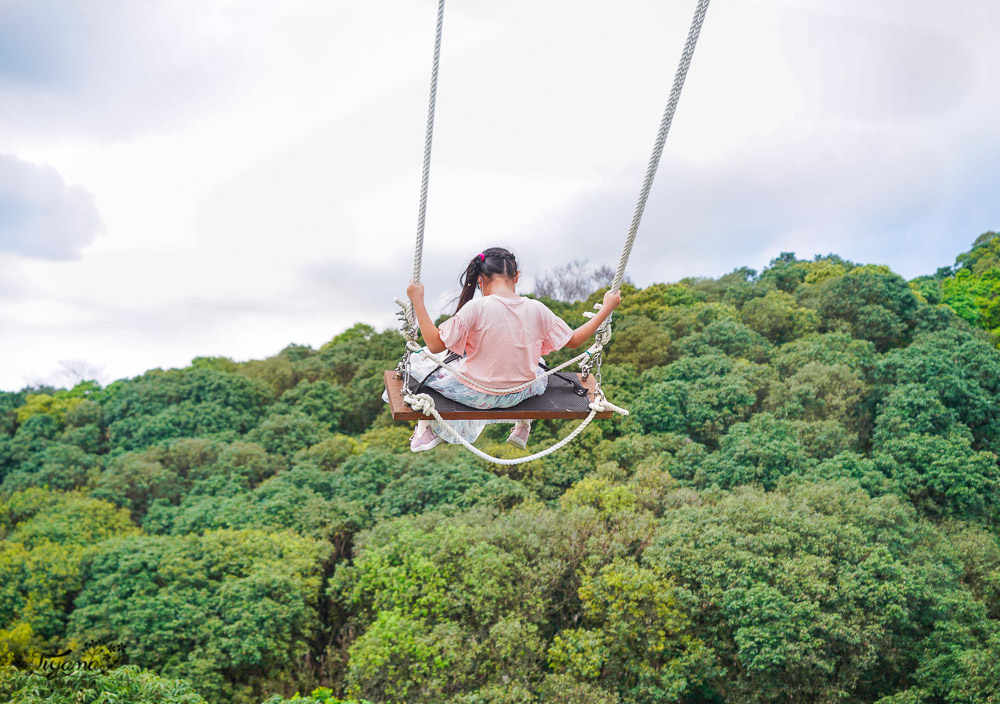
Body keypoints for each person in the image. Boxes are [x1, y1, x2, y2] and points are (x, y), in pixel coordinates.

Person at [391, 246, 621, 452]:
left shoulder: (476, 308)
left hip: (476, 395)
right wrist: (606, 309)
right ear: (517, 276)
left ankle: (426, 430)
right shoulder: (537, 309)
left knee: (423, 362)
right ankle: (522, 425)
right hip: (520, 395)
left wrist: (418, 301)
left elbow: (434, 344)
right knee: (539, 368)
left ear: (480, 280)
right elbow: (574, 340)